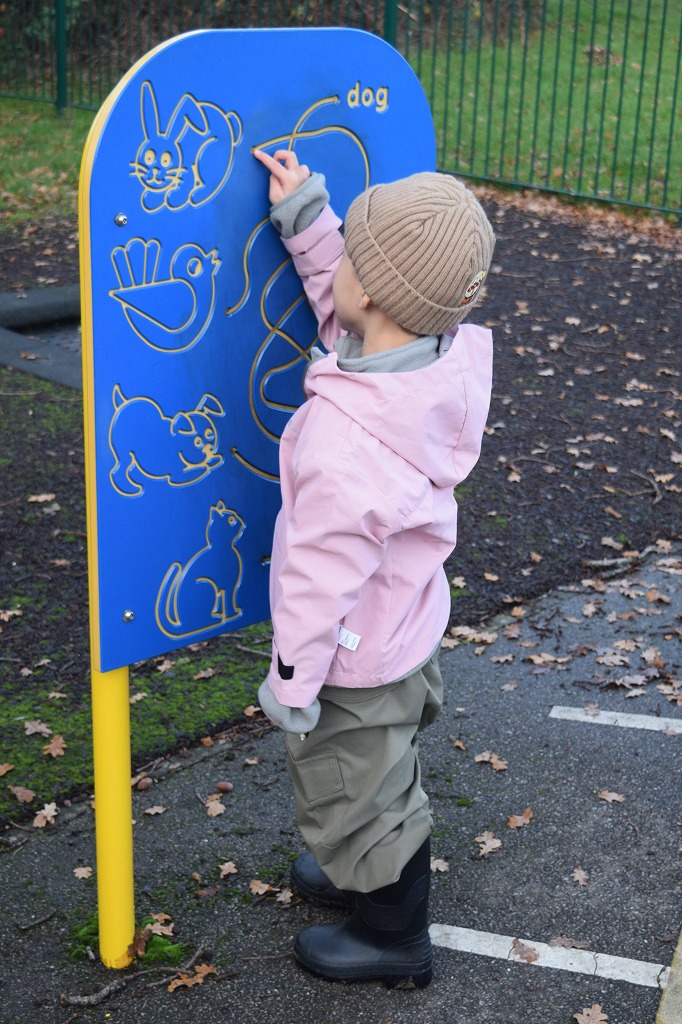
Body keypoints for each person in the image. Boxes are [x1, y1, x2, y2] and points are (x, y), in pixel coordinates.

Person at [253, 148, 495, 989]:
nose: (342, 272)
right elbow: (348, 304)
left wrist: (292, 677)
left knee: (358, 786)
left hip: (353, 653)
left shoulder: (349, 443)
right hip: (405, 620)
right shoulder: (426, 365)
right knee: (380, 770)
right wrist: (308, 218)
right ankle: (361, 870)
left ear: (376, 296)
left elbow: (318, 572)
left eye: (350, 256)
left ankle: (394, 935)